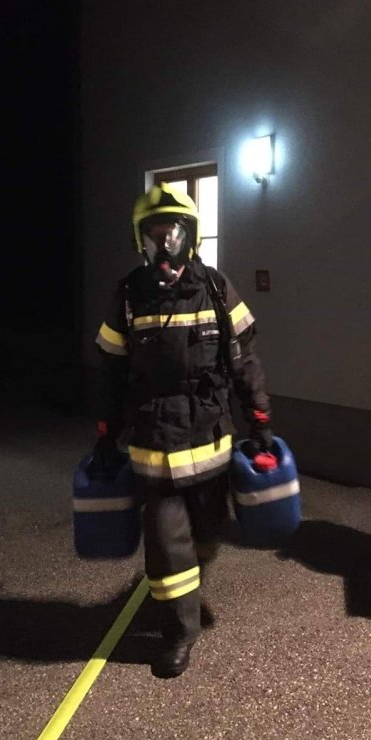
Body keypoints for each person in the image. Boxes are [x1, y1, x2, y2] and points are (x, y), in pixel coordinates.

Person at [94, 182, 273, 676]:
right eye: (155, 235)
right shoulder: (128, 295)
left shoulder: (215, 287)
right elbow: (110, 371)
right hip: (155, 446)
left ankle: (189, 588)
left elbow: (245, 361)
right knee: (166, 543)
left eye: (172, 233)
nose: (164, 245)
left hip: (210, 440)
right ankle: (177, 632)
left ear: (189, 236)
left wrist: (259, 420)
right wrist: (106, 432)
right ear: (141, 239)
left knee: (207, 534)